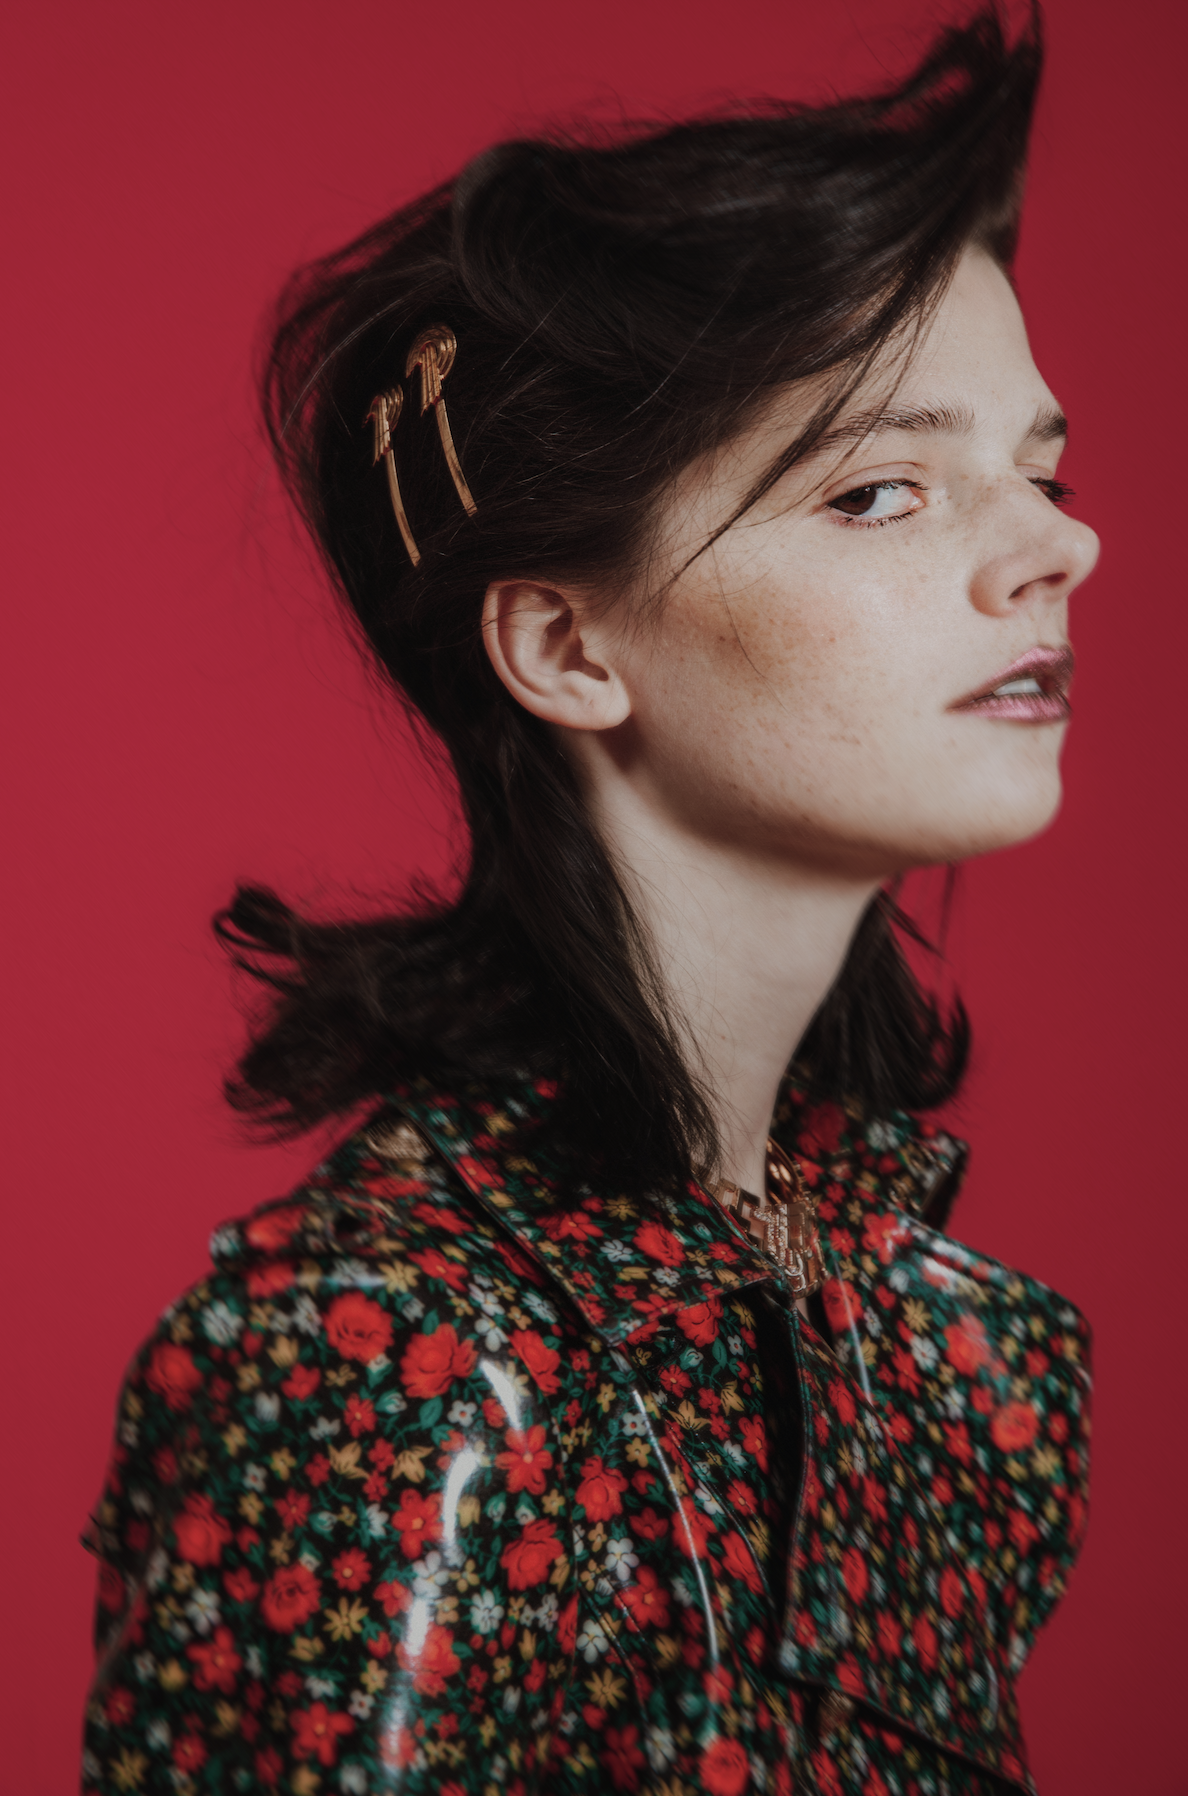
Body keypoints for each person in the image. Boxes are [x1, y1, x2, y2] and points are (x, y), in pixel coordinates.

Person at [82, 7, 1099, 1792]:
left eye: (1040, 469)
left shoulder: (965, 1352)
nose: (1061, 546)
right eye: (882, 492)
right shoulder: (398, 1360)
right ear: (564, 643)